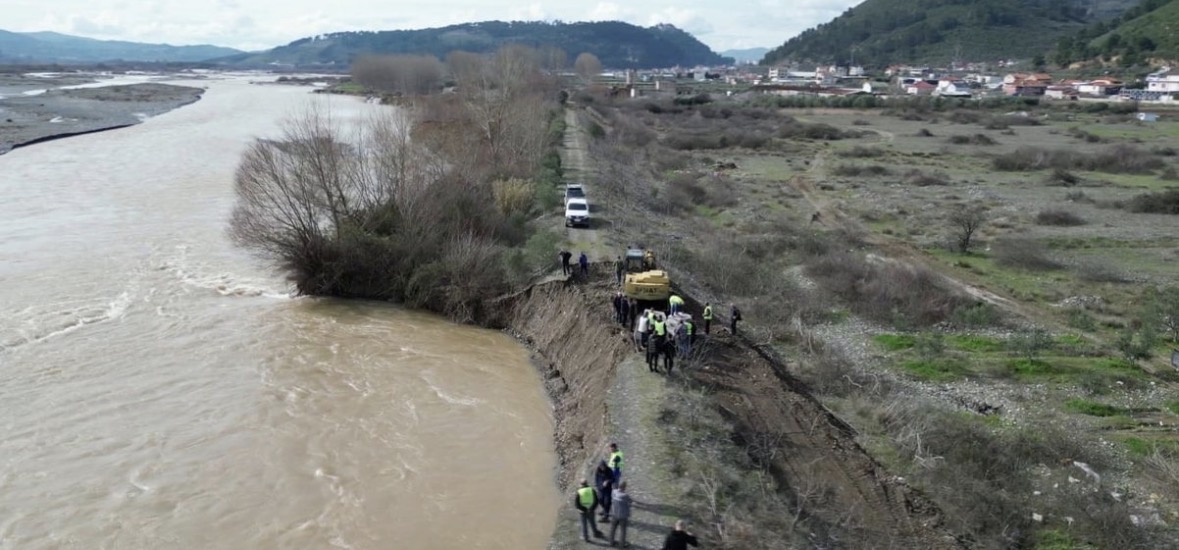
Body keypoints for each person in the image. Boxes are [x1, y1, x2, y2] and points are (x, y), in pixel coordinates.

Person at [610, 481, 632, 548]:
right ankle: (622, 544)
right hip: (622, 516)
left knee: (613, 529)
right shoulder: (625, 495)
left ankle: (611, 542)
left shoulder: (613, 492)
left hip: (614, 513)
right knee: (623, 530)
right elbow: (630, 502)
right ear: (624, 487)